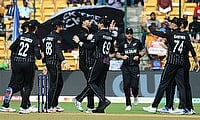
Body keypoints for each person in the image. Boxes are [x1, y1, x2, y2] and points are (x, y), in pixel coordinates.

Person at [142, 17, 199, 114]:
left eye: (172, 23)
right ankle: (183, 107)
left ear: (175, 25)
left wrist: (148, 24)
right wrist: (196, 61)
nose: (170, 24)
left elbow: (155, 33)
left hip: (171, 62)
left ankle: (154, 106)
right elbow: (191, 49)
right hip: (181, 63)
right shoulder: (185, 35)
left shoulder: (170, 34)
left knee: (163, 83)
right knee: (182, 86)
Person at [72, 16, 116, 113]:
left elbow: (90, 47)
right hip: (107, 60)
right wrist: (110, 31)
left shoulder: (98, 34)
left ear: (101, 24)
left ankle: (99, 100)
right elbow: (112, 50)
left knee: (91, 81)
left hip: (98, 60)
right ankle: (100, 108)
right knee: (101, 84)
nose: (97, 24)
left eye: (99, 23)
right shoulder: (110, 35)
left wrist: (79, 42)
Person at [0, 20, 43, 114]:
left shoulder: (21, 36)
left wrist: (14, 60)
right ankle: (23, 107)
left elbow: (12, 48)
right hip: (28, 63)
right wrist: (41, 55)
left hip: (16, 62)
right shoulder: (35, 39)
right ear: (35, 28)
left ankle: (10, 100)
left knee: (17, 84)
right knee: (27, 86)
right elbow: (37, 55)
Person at [159, 18, 197, 114]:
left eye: (176, 23)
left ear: (181, 26)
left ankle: (183, 107)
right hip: (181, 62)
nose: (173, 25)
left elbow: (189, 49)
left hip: (180, 63)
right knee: (177, 85)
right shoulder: (182, 35)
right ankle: (173, 106)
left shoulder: (183, 35)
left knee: (181, 85)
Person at [116, 27, 145, 111]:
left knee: (134, 85)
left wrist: (138, 56)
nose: (129, 35)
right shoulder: (122, 43)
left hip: (135, 66)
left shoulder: (137, 42)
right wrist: (122, 56)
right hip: (126, 67)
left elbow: (143, 51)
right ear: (125, 34)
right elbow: (116, 54)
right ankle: (128, 104)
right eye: (127, 33)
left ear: (132, 34)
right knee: (126, 86)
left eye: (130, 33)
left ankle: (135, 96)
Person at [42, 19, 68, 113]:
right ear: (57, 27)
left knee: (59, 83)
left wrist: (44, 63)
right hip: (54, 63)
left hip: (49, 62)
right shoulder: (57, 37)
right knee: (54, 85)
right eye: (61, 26)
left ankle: (54, 104)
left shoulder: (47, 37)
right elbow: (58, 50)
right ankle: (47, 106)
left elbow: (44, 51)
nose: (62, 28)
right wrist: (64, 61)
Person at [72, 16, 96, 113]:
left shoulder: (89, 31)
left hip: (89, 60)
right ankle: (78, 99)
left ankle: (90, 106)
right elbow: (87, 37)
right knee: (92, 83)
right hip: (85, 61)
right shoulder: (81, 32)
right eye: (88, 20)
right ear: (83, 22)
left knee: (91, 83)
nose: (90, 22)